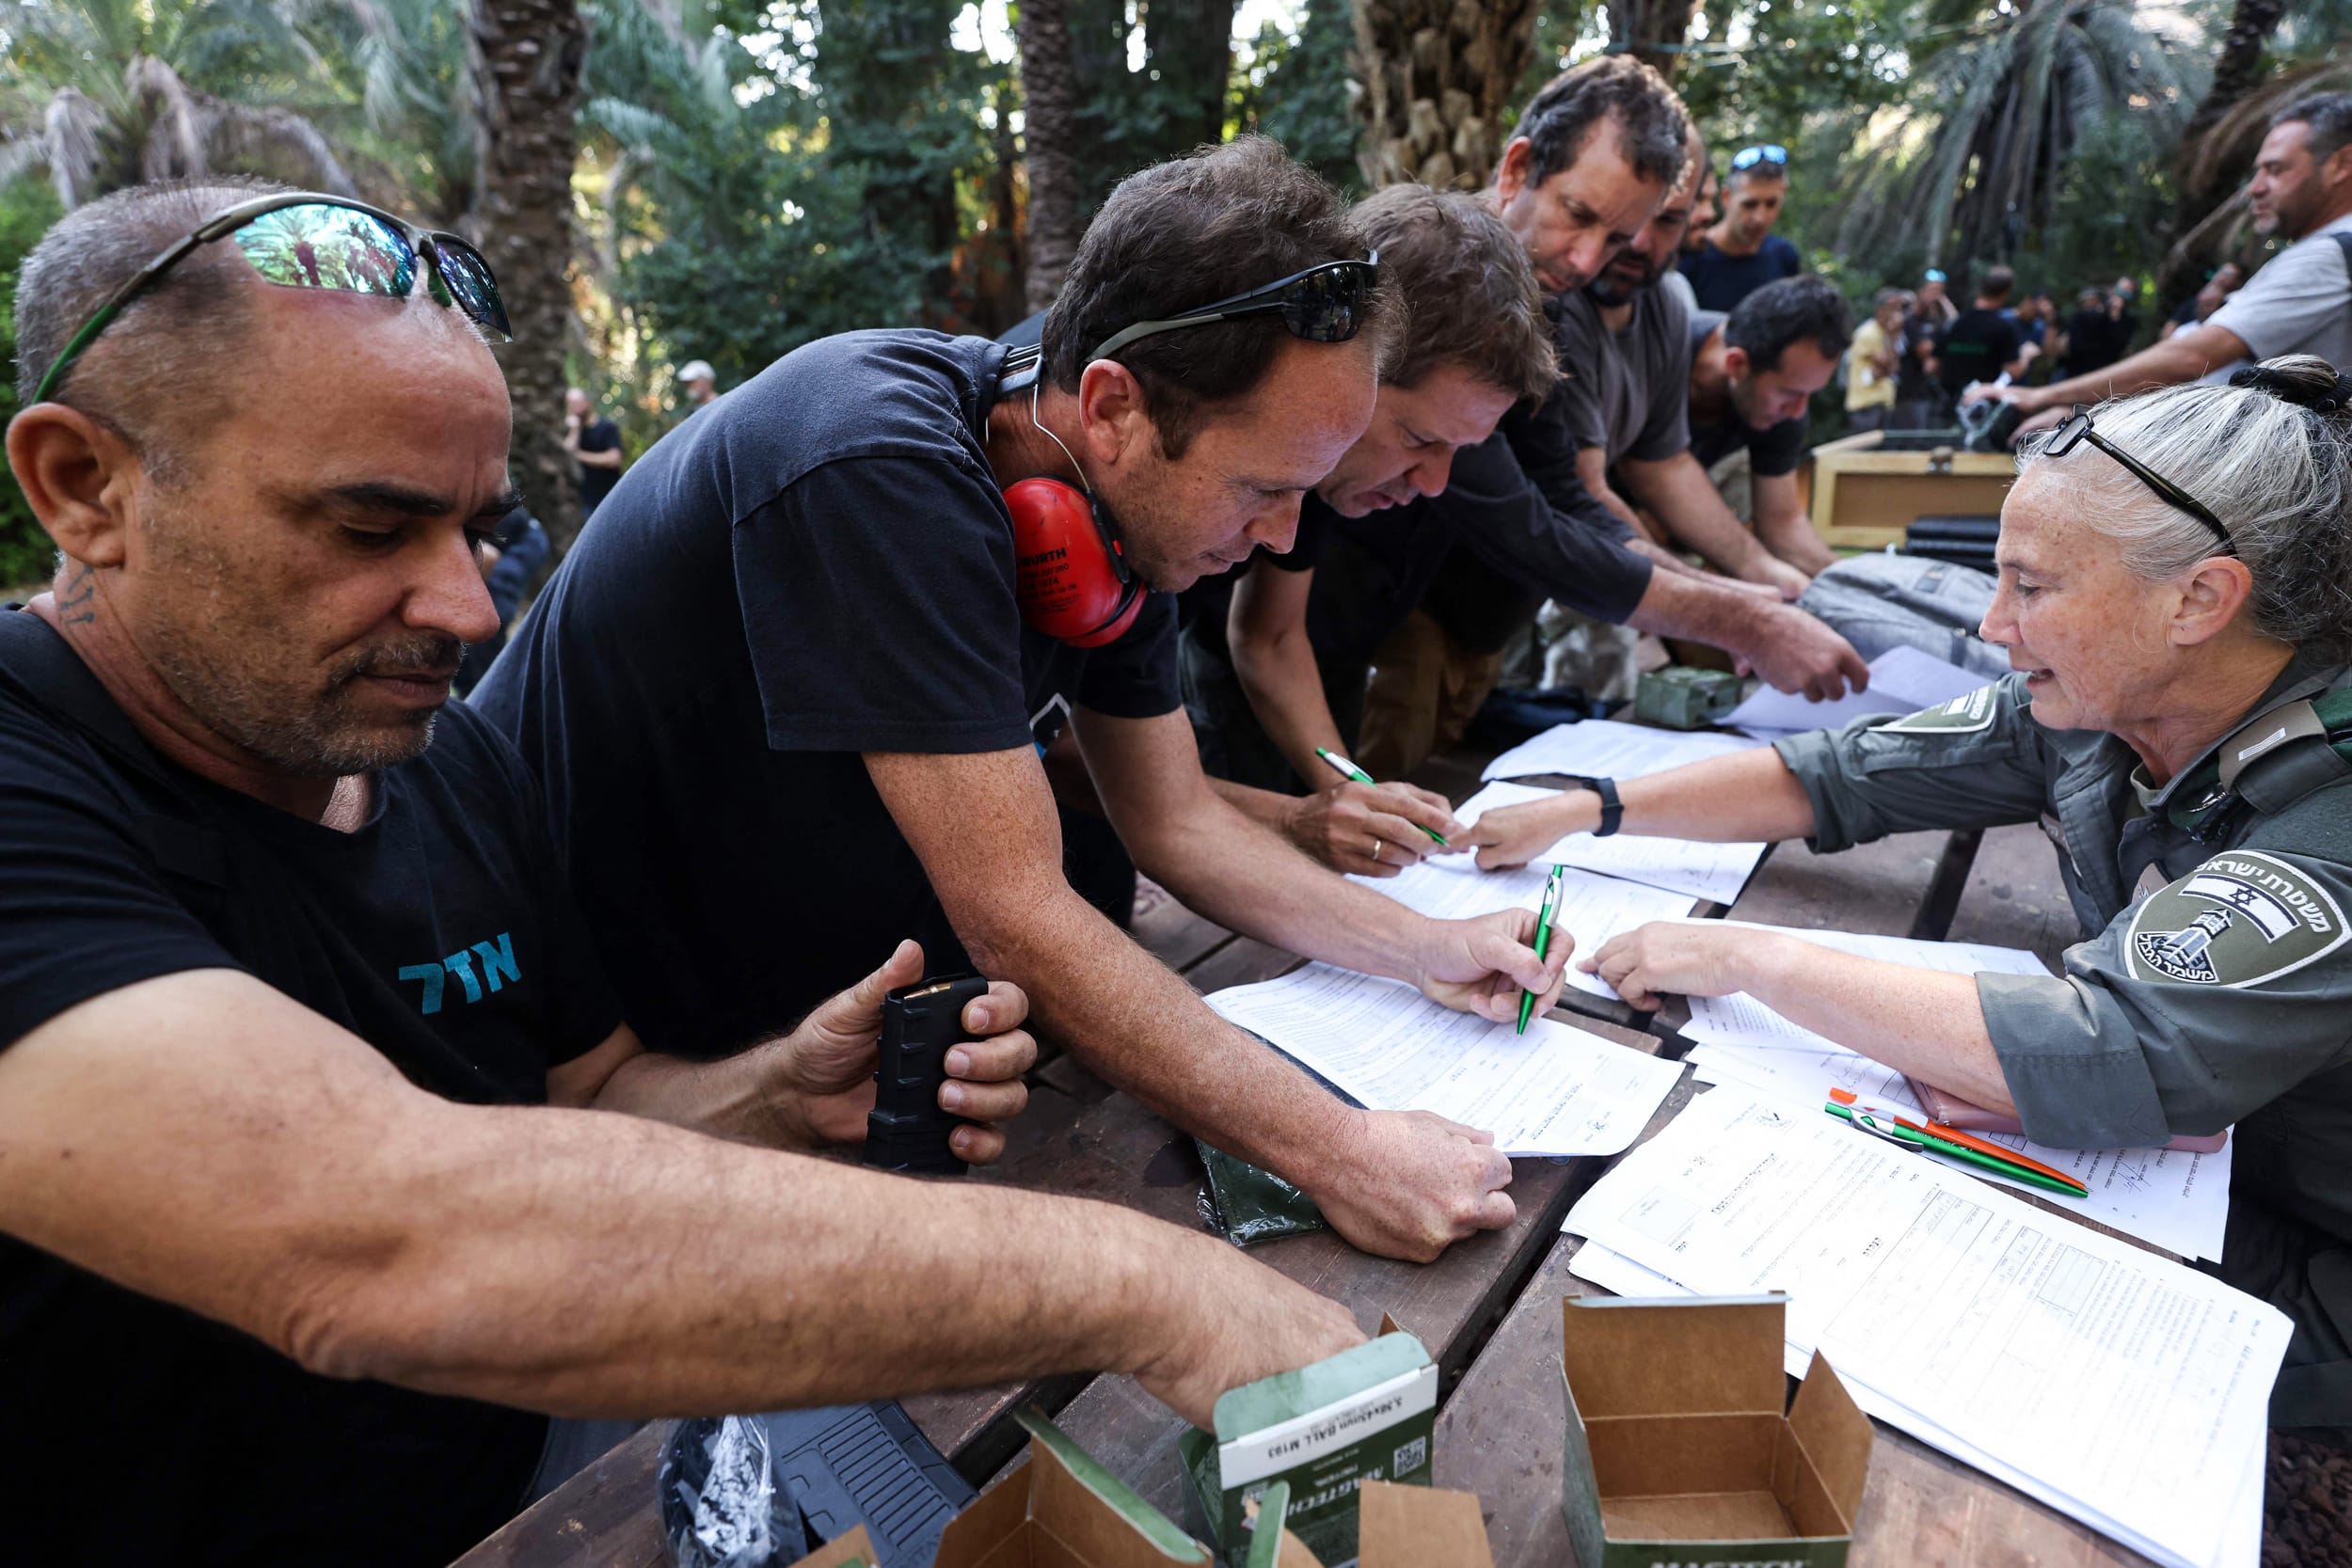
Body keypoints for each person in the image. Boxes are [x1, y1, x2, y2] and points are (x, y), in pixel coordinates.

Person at [0, 178, 1361, 1567]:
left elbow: (596, 1093)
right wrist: (1145, 1285)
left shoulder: (444, 764)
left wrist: (771, 1090)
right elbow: (373, 1235)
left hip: (551, 1481)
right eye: (367, 530)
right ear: (83, 486)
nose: (471, 608)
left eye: (477, 530)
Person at [476, 139, 1574, 1268]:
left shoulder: (1126, 512)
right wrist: (1344, 1151)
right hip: (562, 1046)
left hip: (768, 1024)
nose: (1286, 536)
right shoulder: (874, 460)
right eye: (1265, 489)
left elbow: (1177, 821)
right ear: (1111, 405)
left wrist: (1425, 947)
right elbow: (1017, 911)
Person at [1466, 355, 2352, 1445]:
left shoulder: (2329, 808)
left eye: (2031, 585)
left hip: (2307, 1254)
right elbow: (1842, 771)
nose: (1991, 623)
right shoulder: (2104, 694)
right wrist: (1592, 804)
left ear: (2200, 598)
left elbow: (2122, 1045)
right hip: (2184, 1161)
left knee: (1909, 1341)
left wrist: (1755, 959)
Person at [1323, 64, 1866, 782]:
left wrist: (1734, 593)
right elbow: (1527, 527)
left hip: (1441, 616)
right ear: (1519, 167)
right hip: (1311, 605)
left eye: (1619, 238)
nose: (1587, 260)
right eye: (1578, 215)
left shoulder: (1547, 304)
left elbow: (1567, 495)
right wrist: (1743, 618)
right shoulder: (1425, 275)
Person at [1177, 183, 1555, 844]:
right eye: (1419, 440)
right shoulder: (1295, 439)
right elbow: (1115, 772)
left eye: (1458, 453)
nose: (1435, 484)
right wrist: (1306, 812)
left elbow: (1271, 633)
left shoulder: (1329, 464)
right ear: (1353, 369)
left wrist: (1348, 787)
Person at [1978, 96, 2351, 431]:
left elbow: (2194, 357)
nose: (2254, 187)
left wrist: (2042, 397)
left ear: (2342, 164)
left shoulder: (2328, 254)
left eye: (2275, 169)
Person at [1683, 276, 1851, 577]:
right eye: (1790, 394)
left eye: (1810, 394)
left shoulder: (1784, 403)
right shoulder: (1660, 356)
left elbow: (1782, 524)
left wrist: (1855, 583)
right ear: (1737, 365)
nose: (1798, 412)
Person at [1677, 142, 1801, 312]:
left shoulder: (1784, 257)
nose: (1760, 218)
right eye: (1750, 204)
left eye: (1771, 204)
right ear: (1727, 197)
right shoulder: (1691, 256)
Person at [453, 501, 552, 695]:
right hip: (496, 547)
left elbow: (488, 558)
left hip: (525, 539)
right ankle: (472, 692)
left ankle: (495, 692)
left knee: (488, 611)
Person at [1931, 264, 2029, 399]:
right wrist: (2026, 355)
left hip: (1946, 403)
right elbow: (2013, 370)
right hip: (1980, 409)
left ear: (1981, 289)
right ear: (2005, 293)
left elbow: (1932, 366)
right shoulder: (2003, 328)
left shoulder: (1954, 324)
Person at [1847, 287, 1907, 432]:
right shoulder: (1867, 333)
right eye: (1892, 309)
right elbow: (1886, 365)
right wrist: (1893, 336)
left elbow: (1895, 368)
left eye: (1899, 309)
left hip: (1883, 404)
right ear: (1880, 310)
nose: (1897, 315)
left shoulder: (1885, 333)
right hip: (1866, 406)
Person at [562, 386, 624, 515]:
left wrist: (579, 455)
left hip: (612, 493)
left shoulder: (607, 427)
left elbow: (614, 459)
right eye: (570, 404)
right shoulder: (573, 430)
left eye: (576, 402)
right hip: (587, 500)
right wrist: (575, 429)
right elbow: (566, 453)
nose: (574, 407)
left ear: (588, 403)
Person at [2159, 262, 2246, 342]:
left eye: (2230, 275)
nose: (2223, 277)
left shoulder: (2235, 304)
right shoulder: (2190, 306)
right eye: (2222, 272)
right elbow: (2170, 327)